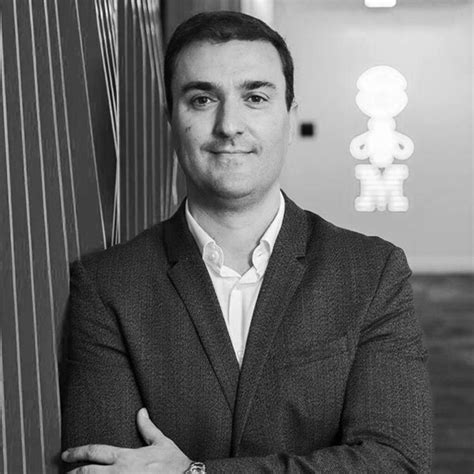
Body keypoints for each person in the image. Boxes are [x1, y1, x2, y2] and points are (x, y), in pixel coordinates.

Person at [61, 10, 432, 473]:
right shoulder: (108, 285)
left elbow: (396, 463)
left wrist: (194, 472)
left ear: (289, 117)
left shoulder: (371, 272)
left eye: (255, 97)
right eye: (202, 99)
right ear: (170, 119)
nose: (229, 125)